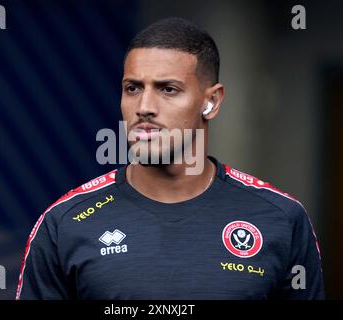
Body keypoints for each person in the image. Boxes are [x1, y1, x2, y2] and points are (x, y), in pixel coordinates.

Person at [16, 17, 324, 300]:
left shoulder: (280, 218)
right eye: (132, 88)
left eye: (168, 89)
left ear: (211, 102)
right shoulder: (65, 223)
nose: (144, 106)